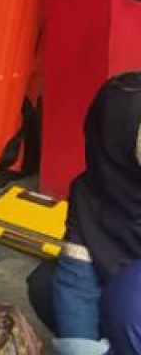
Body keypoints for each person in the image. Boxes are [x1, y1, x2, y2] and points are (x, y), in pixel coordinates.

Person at [50, 73, 141, 354]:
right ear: (116, 133)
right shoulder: (93, 192)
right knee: (49, 286)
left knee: (128, 297)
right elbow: (76, 279)